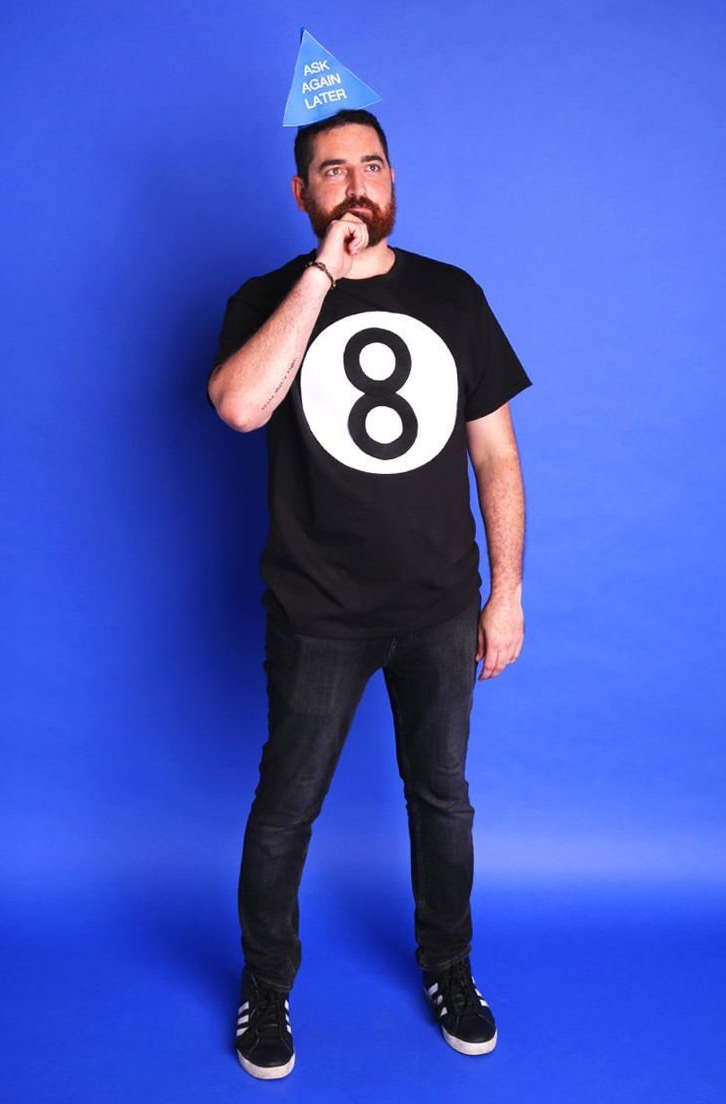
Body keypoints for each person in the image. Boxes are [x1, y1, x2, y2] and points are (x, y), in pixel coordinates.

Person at [207, 107, 533, 1080]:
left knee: (443, 802)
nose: (357, 184)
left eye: (373, 165)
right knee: (286, 807)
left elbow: (496, 457)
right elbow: (239, 404)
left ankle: (451, 970)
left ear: (395, 179)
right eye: (332, 169)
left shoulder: (451, 296)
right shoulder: (269, 298)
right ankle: (265, 989)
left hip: (436, 607)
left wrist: (505, 593)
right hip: (317, 613)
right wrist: (321, 275)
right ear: (302, 192)